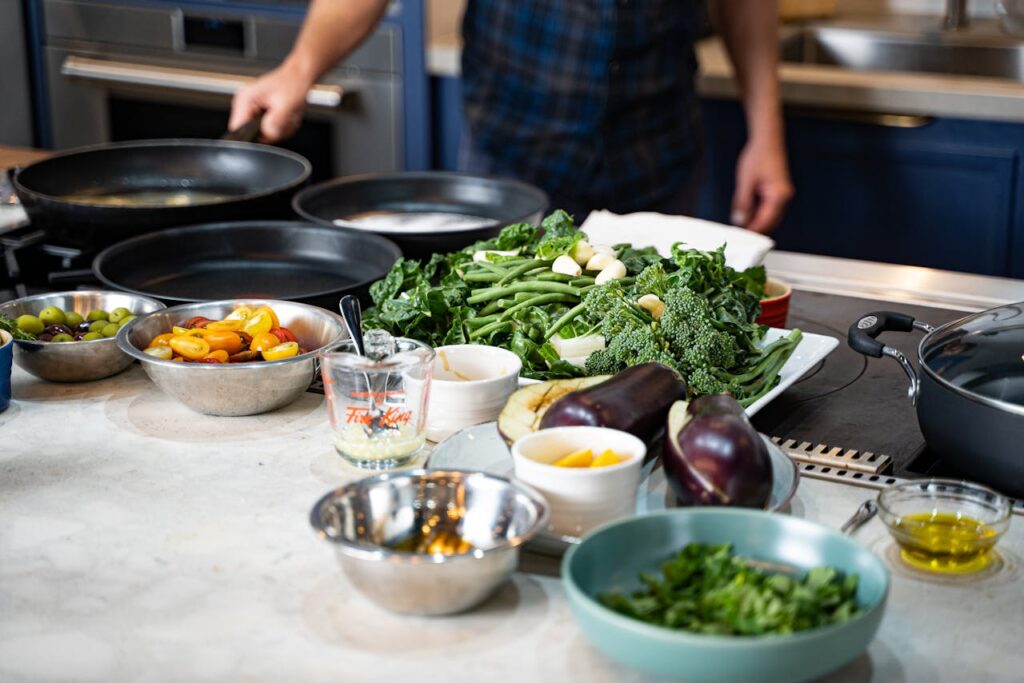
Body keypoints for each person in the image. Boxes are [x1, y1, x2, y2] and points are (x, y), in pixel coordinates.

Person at [230, 0, 792, 233]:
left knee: (657, 352)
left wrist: (766, 132)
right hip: (515, 154)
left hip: (658, 150)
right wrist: (299, 69)